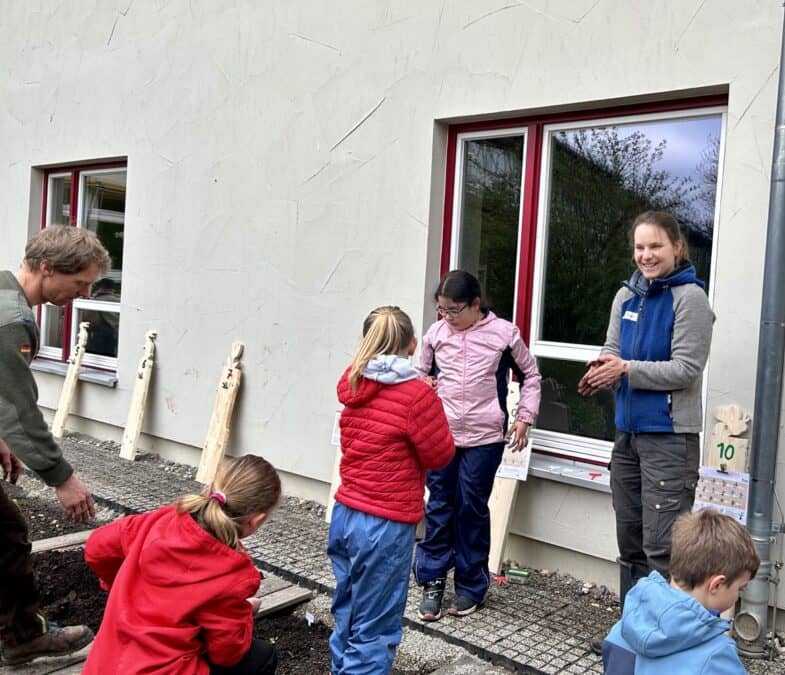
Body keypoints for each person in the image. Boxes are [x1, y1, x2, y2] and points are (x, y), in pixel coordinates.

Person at [579, 210, 714, 604]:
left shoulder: (691, 299)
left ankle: (660, 639)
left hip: (669, 440)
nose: (647, 255)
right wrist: (603, 367)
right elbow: (613, 348)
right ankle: (633, 631)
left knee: (663, 548)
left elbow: (686, 369)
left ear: (677, 247)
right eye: (640, 247)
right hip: (628, 437)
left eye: (656, 245)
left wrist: (626, 369)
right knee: (631, 542)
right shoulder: (626, 295)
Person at [0, 225, 108, 666]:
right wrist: (62, 479)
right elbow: (21, 412)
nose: (82, 293)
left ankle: (21, 633)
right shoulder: (11, 322)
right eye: (79, 281)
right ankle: (22, 636)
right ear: (47, 268)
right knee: (6, 535)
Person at [330, 306, 455, 674]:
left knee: (348, 611)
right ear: (414, 344)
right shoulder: (416, 395)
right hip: (385, 524)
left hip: (345, 515)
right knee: (376, 627)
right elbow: (440, 454)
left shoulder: (352, 383)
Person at [413, 270, 541, 621]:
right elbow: (420, 375)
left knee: (471, 506)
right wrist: (428, 388)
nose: (447, 318)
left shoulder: (504, 334)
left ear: (475, 305)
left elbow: (531, 375)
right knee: (439, 504)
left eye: (454, 310)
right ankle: (433, 580)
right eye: (442, 310)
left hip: (485, 438)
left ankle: (470, 586)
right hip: (442, 434)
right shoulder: (436, 335)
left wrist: (524, 416)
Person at [82, 455, 281, 675]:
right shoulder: (234, 572)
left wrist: (120, 587)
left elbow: (96, 547)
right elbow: (227, 653)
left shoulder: (161, 520)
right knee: (262, 657)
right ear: (256, 520)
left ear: (210, 488)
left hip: (104, 666)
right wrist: (244, 615)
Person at [601, 509, 758, 674]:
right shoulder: (717, 656)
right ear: (716, 585)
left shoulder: (622, 629)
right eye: (740, 588)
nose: (738, 596)